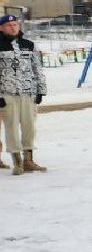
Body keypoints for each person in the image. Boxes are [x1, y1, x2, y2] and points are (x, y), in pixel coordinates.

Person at [0, 13, 47, 174]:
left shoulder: (29, 45)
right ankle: (18, 163)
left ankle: (28, 160)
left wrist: (41, 90)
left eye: (15, 25)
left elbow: (37, 69)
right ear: (1, 28)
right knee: (11, 128)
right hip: (7, 95)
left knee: (29, 127)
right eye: (9, 25)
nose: (13, 27)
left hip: (28, 93)